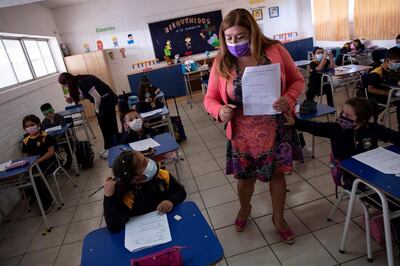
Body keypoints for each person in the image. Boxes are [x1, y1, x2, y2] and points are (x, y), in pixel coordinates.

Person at [203, 8, 304, 243]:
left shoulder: (275, 51)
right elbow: (209, 99)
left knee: (277, 176)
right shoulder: (222, 61)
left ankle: (278, 218)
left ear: (253, 32)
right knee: (244, 179)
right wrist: (219, 110)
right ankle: (244, 208)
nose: (234, 43)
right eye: (228, 38)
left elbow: (297, 80)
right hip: (242, 134)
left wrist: (287, 99)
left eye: (239, 37)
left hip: (275, 128)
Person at [285, 97, 400, 190]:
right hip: (350, 173)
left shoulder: (373, 129)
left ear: (362, 120)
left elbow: (393, 136)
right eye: (343, 113)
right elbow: (315, 128)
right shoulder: (336, 129)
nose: (343, 117)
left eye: (348, 116)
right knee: (375, 191)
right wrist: (296, 122)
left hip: (372, 169)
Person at [103, 150, 187, 232]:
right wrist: (108, 196)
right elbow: (114, 226)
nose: (149, 161)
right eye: (144, 163)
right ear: (135, 180)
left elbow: (181, 192)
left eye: (145, 157)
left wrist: (171, 201)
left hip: (168, 226)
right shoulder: (126, 195)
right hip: (141, 233)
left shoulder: (161, 175)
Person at [58, 73, 118, 159]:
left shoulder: (83, 81)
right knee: (106, 127)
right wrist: (73, 99)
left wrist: (97, 110)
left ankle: (112, 148)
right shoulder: (80, 82)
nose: (66, 87)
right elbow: (86, 95)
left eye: (65, 85)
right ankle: (109, 147)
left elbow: (97, 97)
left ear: (68, 82)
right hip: (105, 102)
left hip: (107, 102)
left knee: (108, 127)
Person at [21, 114, 57, 213]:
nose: (29, 128)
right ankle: (35, 194)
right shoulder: (26, 140)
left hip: (48, 162)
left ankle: (48, 201)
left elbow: (51, 152)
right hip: (34, 164)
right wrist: (27, 164)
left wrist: (36, 162)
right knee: (23, 176)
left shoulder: (45, 136)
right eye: (27, 126)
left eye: (31, 125)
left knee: (35, 175)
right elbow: (26, 155)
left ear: (38, 124)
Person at [367, 47, 400, 130]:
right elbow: (370, 89)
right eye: (397, 62)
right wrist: (386, 93)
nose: (399, 64)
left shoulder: (392, 69)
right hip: (377, 96)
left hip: (391, 91)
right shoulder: (376, 73)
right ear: (387, 61)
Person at [40, 103, 73, 169]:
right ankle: (58, 162)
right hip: (52, 141)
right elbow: (44, 132)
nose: (49, 115)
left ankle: (69, 160)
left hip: (64, 137)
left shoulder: (60, 117)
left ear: (53, 110)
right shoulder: (44, 122)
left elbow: (62, 128)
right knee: (46, 148)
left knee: (69, 145)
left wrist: (52, 122)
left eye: (51, 112)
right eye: (46, 114)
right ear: (44, 115)